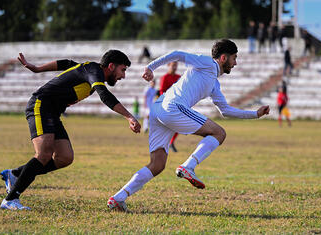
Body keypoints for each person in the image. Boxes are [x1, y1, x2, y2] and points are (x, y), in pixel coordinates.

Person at [107, 39, 270, 211]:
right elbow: (178, 54)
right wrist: (150, 67)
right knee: (219, 133)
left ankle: (118, 198)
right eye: (234, 58)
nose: (235, 63)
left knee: (157, 164)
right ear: (223, 58)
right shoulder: (208, 63)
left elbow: (225, 110)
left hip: (159, 109)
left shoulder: (214, 82)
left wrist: (255, 114)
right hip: (172, 108)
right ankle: (188, 167)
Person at [0, 50, 141, 210]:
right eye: (122, 70)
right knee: (44, 154)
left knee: (64, 157)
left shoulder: (88, 70)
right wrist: (130, 117)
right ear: (111, 66)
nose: (123, 76)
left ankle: (16, 174)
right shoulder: (94, 72)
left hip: (52, 112)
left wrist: (38, 69)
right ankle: (10, 199)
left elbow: (66, 63)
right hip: (41, 105)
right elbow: (104, 95)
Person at [159, 61, 181, 152]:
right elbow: (161, 91)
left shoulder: (179, 77)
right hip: (167, 105)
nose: (174, 67)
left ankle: (171, 142)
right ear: (168, 65)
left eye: (176, 65)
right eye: (173, 65)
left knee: (179, 125)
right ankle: (163, 144)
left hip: (177, 105)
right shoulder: (165, 77)